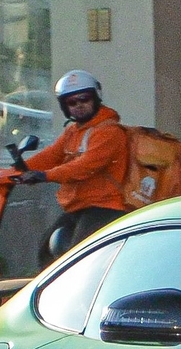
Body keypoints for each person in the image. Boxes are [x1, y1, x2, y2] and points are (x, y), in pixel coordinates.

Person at [19, 70, 132, 261]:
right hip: (81, 205)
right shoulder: (73, 131)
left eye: (84, 99)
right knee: (46, 250)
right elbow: (52, 155)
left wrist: (45, 175)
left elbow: (85, 166)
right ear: (64, 107)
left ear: (96, 98)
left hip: (106, 206)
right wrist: (16, 170)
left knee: (77, 258)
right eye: (72, 102)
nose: (79, 105)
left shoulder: (109, 131)